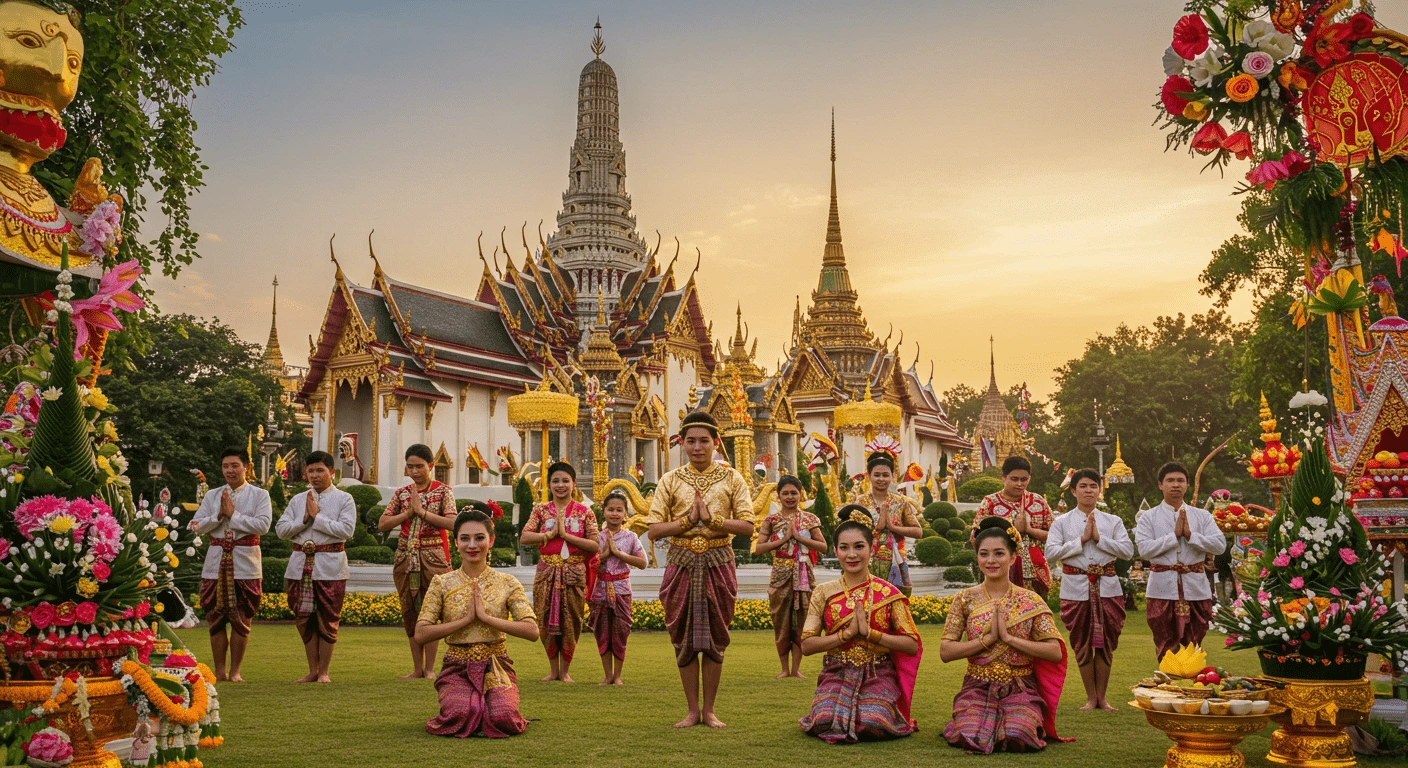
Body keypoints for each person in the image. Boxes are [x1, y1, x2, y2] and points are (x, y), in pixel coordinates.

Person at [646, 411, 755, 728]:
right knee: (683, 638)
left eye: (703, 441)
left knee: (715, 637)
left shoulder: (732, 478)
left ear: (716, 443)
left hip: (718, 561)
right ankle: (692, 710)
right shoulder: (670, 480)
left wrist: (713, 521)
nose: (697, 447)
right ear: (682, 443)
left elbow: (748, 526)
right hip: (681, 563)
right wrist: (687, 523)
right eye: (690, 441)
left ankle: (709, 710)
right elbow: (653, 530)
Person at [941, 516, 1070, 754]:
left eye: (999, 553)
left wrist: (1010, 640)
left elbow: (1054, 652)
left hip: (1021, 686)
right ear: (977, 556)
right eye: (984, 554)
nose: (991, 560)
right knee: (972, 735)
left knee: (1017, 735)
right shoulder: (965, 599)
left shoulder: (1031, 600)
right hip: (977, 685)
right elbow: (946, 652)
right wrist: (986, 641)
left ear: (1013, 557)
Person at [797, 510, 921, 743]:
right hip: (836, 671)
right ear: (835, 551)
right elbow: (807, 645)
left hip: (878, 673)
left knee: (873, 722)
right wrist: (847, 635)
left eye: (859, 546)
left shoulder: (889, 593)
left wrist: (871, 634)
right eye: (844, 548)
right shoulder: (823, 592)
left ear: (872, 549)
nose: (851, 554)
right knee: (825, 719)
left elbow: (911, 645)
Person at [415, 509, 539, 738]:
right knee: (461, 712)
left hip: (496, 664)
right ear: (456, 542)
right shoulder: (442, 583)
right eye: (465, 538)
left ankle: (487, 712)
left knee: (504, 716)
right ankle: (477, 711)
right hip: (457, 666)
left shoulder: (506, 582)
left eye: (479, 538)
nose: (472, 545)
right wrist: (465, 621)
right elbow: (421, 633)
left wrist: (487, 619)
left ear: (491, 540)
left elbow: (532, 631)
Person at [1043, 468, 1134, 711]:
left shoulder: (1113, 521)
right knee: (1082, 642)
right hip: (1075, 588)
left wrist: (1100, 539)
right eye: (1082, 486)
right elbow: (1049, 554)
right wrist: (1081, 540)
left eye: (1093, 486)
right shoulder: (1061, 522)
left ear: (1099, 490)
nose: (1088, 490)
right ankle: (1090, 697)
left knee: (1106, 641)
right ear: (1073, 490)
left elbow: (1128, 551)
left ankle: (1102, 698)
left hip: (1108, 587)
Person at [190, 447, 272, 682]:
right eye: (225, 466)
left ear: (246, 467)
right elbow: (195, 525)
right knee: (215, 618)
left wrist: (232, 516)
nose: (230, 470)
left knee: (242, 617)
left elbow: (263, 526)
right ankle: (219, 670)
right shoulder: (213, 495)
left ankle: (235, 670)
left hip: (246, 562)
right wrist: (217, 516)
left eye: (234, 465)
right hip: (215, 561)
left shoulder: (259, 495)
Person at [275, 451, 357, 684]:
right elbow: (281, 530)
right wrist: (304, 520)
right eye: (311, 471)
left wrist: (317, 518)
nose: (315, 475)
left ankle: (324, 672)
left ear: (332, 472)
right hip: (300, 564)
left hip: (330, 565)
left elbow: (346, 531)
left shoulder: (344, 499)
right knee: (303, 618)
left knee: (328, 617)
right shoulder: (298, 499)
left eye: (320, 470)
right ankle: (312, 670)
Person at [379, 444, 457, 679]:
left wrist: (423, 513)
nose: (414, 471)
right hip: (405, 557)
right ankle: (416, 668)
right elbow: (383, 524)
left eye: (419, 466)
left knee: (431, 610)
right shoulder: (402, 493)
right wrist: (408, 514)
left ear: (430, 466)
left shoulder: (443, 492)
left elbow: (453, 524)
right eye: (410, 467)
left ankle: (430, 669)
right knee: (410, 609)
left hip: (433, 556)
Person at [1134, 462, 1226, 662]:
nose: (1175, 485)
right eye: (1170, 480)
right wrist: (1174, 536)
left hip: (1196, 587)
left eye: (1180, 481)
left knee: (1194, 642)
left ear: (1187, 485)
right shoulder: (1148, 518)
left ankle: (1192, 688)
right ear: (1160, 485)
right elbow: (1144, 549)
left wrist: (1191, 536)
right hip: (1161, 588)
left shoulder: (1202, 516)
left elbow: (1219, 545)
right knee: (1165, 643)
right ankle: (1168, 688)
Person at [519, 461, 600, 683]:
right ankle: (553, 670)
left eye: (565, 480)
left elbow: (595, 545)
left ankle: (565, 671)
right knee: (544, 618)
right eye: (555, 481)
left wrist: (567, 536)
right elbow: (525, 537)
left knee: (571, 620)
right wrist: (549, 534)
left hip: (573, 571)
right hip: (547, 570)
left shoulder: (585, 512)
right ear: (549, 484)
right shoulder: (540, 510)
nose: (560, 485)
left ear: (574, 484)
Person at [753, 474, 826, 678]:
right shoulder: (772, 520)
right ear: (778, 496)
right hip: (780, 575)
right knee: (781, 621)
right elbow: (758, 548)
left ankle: (796, 669)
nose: (790, 497)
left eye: (794, 492)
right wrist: (784, 539)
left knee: (802, 620)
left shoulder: (810, 519)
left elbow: (823, 546)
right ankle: (784, 668)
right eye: (785, 493)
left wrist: (800, 538)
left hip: (804, 574)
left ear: (800, 494)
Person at [972, 456, 1053, 597]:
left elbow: (1055, 537)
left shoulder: (1038, 501)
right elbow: (975, 538)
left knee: (1035, 611)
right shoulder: (991, 502)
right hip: (1000, 567)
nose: (1020, 484)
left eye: (1024, 479)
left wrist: (1029, 530)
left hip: (1035, 568)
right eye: (1014, 479)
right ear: (1004, 478)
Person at [590, 490, 647, 686]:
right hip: (600, 589)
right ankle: (607, 675)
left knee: (621, 631)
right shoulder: (596, 537)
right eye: (611, 509)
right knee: (602, 631)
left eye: (619, 510)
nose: (615, 514)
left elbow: (642, 563)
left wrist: (619, 554)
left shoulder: (631, 537)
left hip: (622, 588)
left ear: (625, 514)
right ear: (603, 512)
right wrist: (605, 554)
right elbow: (588, 564)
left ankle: (618, 676)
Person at [856, 453, 924, 594]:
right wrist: (877, 528)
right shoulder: (860, 502)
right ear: (869, 476)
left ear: (892, 476)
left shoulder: (900, 502)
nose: (881, 479)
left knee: (894, 601)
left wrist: (893, 527)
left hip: (895, 561)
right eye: (877, 475)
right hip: (866, 559)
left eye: (885, 475)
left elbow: (918, 532)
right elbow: (852, 533)